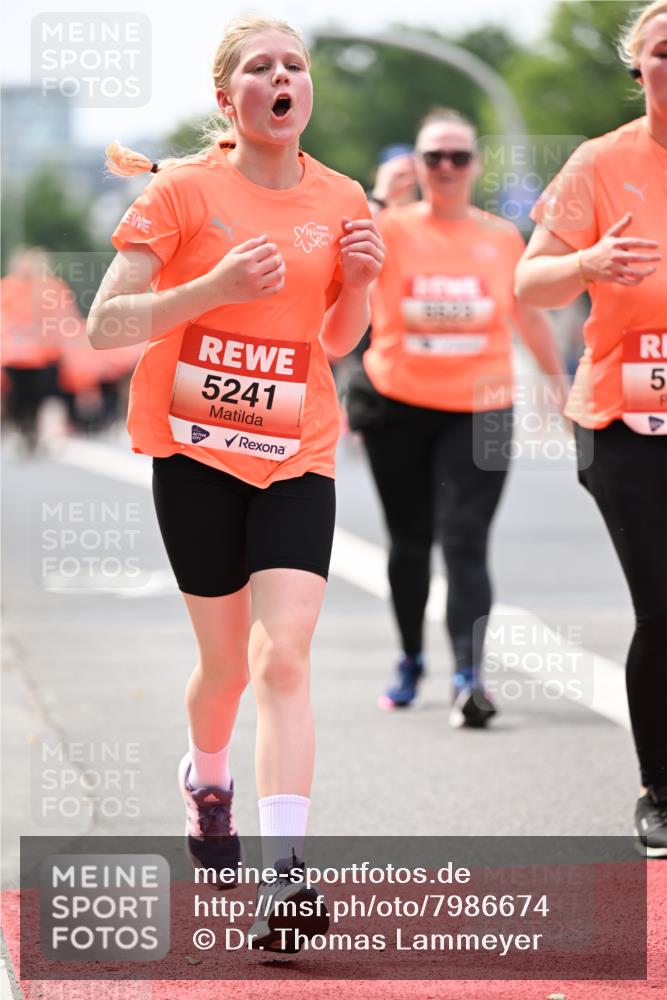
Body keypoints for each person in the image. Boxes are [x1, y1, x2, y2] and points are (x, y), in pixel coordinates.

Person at [87, 16, 384, 950]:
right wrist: (207, 290)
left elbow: (334, 343)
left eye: (294, 65)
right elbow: (105, 325)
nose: (282, 77)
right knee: (223, 669)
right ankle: (206, 779)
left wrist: (363, 288)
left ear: (305, 92)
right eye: (260, 67)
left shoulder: (342, 197)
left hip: (297, 449)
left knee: (282, 657)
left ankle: (286, 880)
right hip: (196, 451)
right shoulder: (182, 193)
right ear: (230, 99)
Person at [347, 108, 568, 727]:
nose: (445, 168)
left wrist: (558, 386)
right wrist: (376, 200)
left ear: (474, 165)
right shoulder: (386, 225)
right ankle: (412, 657)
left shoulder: (501, 238)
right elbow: (338, 271)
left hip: (484, 408)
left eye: (458, 157)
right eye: (433, 157)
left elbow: (528, 314)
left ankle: (470, 675)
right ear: (414, 165)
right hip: (399, 406)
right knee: (410, 544)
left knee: (466, 541)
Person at [515, 0, 667, 856]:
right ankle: (659, 790)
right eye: (662, 50)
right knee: (664, 607)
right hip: (625, 415)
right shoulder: (600, 164)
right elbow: (526, 284)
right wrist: (586, 263)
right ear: (636, 69)